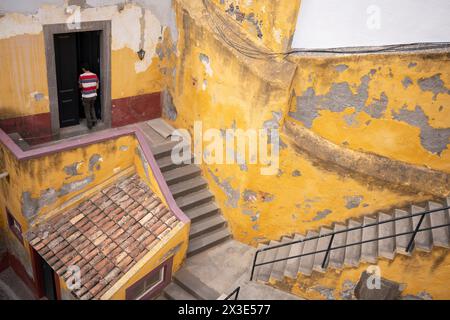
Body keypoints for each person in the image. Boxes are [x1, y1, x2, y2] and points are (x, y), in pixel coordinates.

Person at [79, 64, 99, 129]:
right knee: (92, 107)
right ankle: (95, 121)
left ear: (84, 69)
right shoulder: (95, 75)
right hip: (93, 95)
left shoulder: (81, 76)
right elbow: (97, 86)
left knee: (87, 110)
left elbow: (80, 86)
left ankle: (89, 125)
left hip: (86, 96)